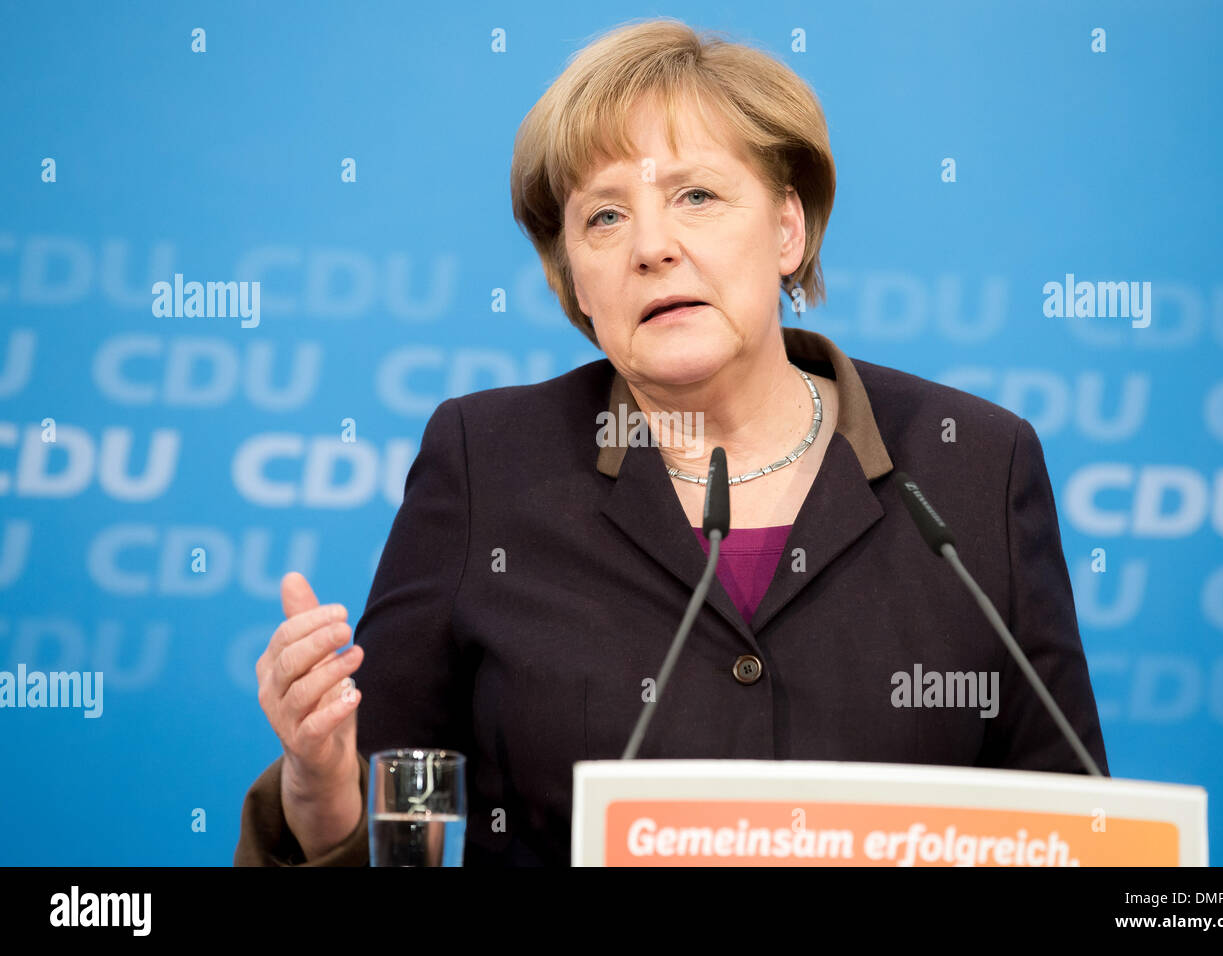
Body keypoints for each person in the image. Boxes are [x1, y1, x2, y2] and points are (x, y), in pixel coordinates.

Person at [235, 18, 1108, 867]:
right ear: (574, 277)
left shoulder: (974, 464)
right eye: (604, 218)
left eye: (696, 195)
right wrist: (320, 792)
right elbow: (406, 805)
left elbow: (1073, 828)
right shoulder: (487, 463)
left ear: (787, 230)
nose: (652, 246)